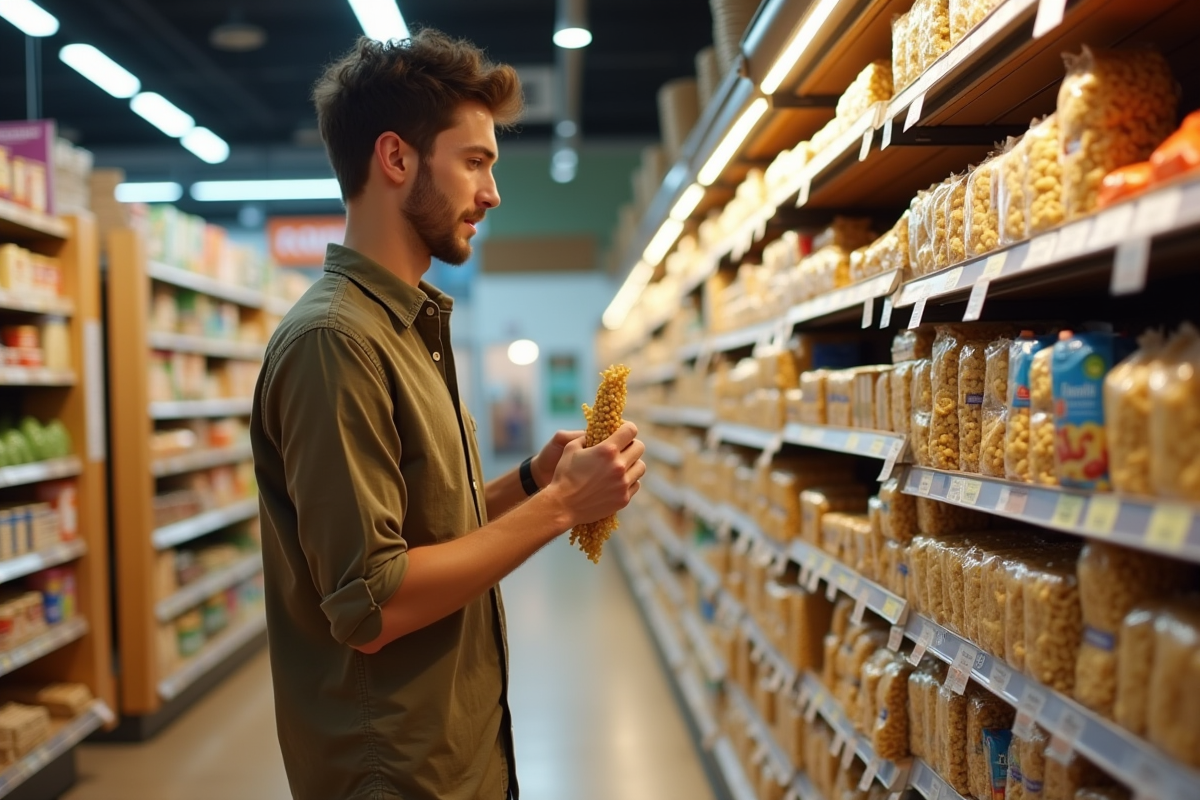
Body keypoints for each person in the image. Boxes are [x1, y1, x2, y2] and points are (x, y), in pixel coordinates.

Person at [249, 29, 646, 800]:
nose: (492, 193)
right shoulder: (335, 341)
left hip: (453, 747)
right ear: (396, 159)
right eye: (475, 162)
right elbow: (373, 603)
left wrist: (534, 482)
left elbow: (428, 531)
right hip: (394, 772)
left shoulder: (409, 327)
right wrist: (565, 508)